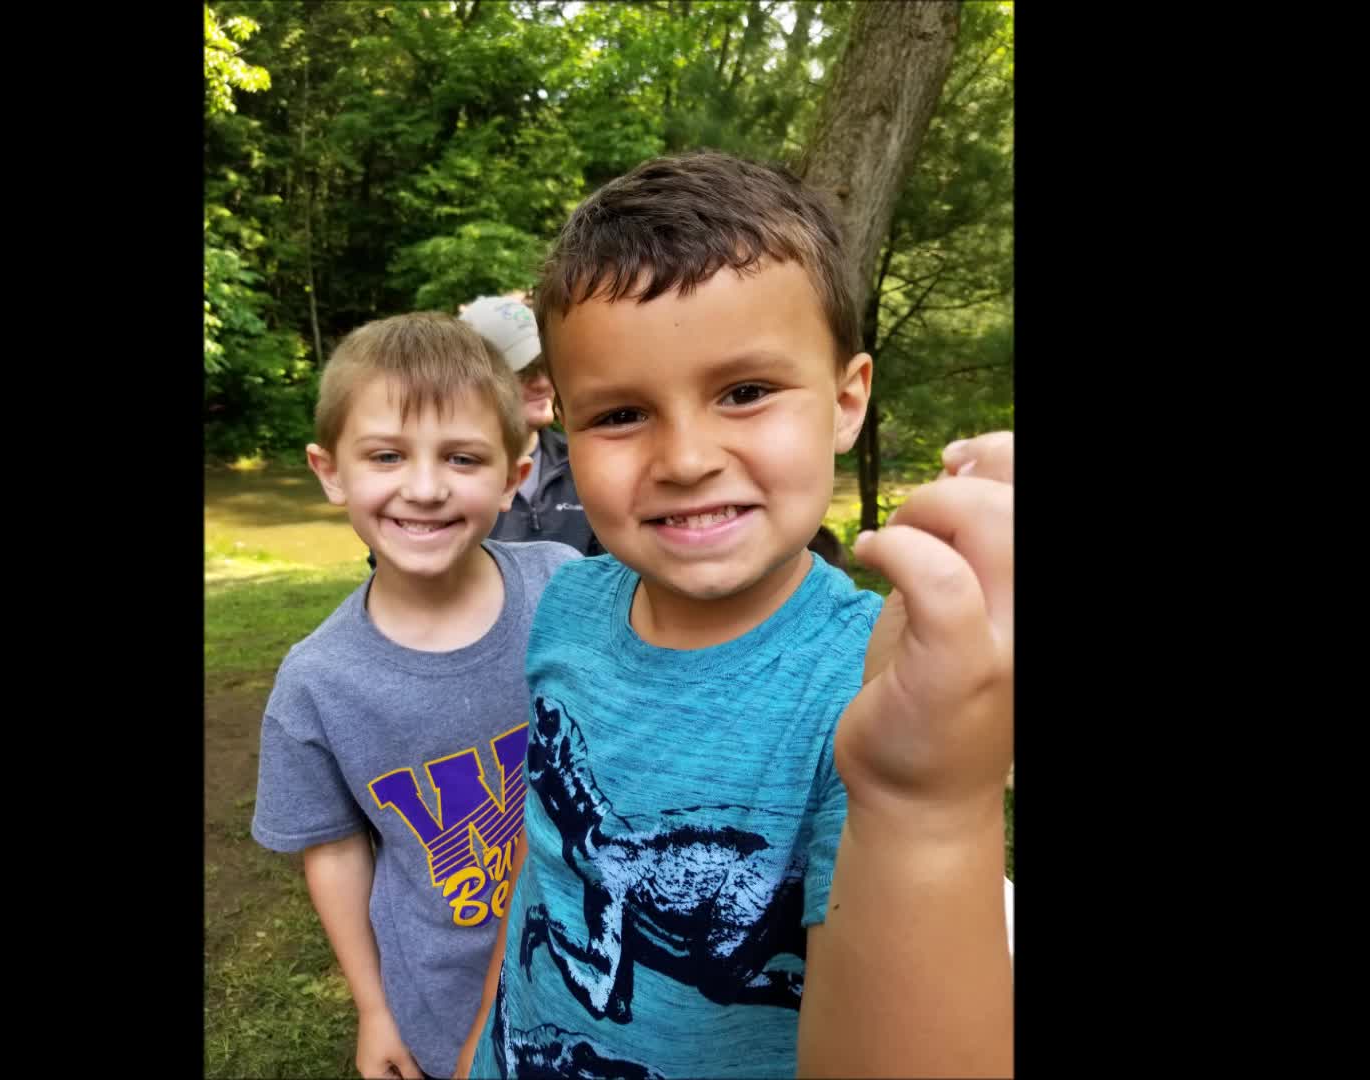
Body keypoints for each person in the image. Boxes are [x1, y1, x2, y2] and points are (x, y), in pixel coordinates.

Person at [455, 151, 1015, 1078]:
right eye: (621, 413)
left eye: (745, 393)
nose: (684, 457)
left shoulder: (879, 686)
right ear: (565, 429)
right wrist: (486, 1030)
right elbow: (549, 861)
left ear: (846, 401)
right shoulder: (564, 604)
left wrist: (929, 801)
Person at [251, 312, 581, 1080]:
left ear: (513, 475)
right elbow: (333, 851)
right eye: (387, 455)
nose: (425, 488)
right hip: (442, 1000)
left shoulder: (564, 586)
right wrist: (373, 1008)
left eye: (462, 457)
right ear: (330, 470)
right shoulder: (316, 685)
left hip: (593, 969)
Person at [458, 294, 601, 557]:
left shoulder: (584, 461)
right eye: (525, 370)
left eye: (548, 366)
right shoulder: (445, 476)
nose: (545, 383)